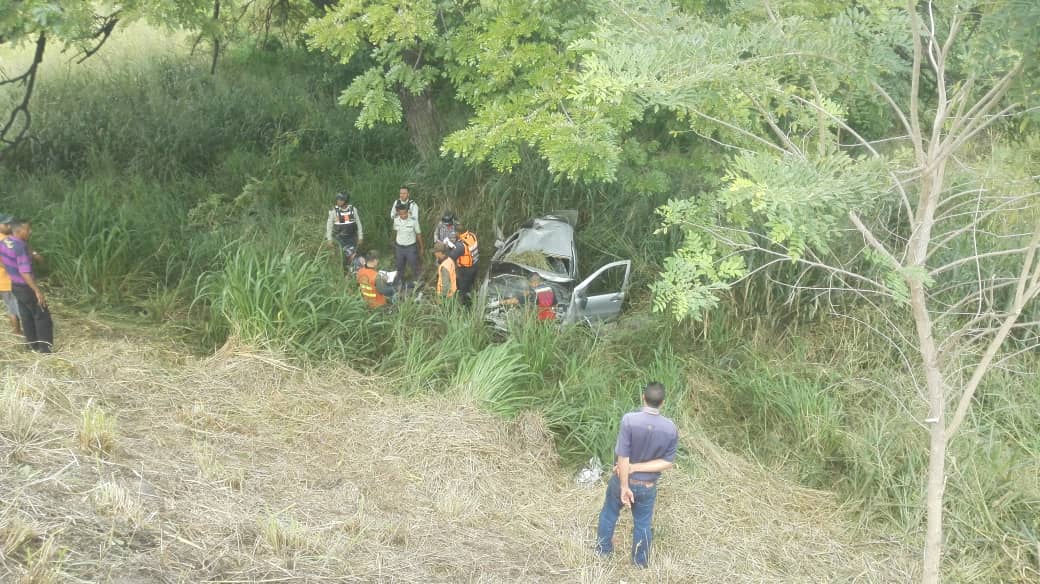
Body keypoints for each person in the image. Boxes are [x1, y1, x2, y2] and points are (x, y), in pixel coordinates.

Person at [595, 382, 679, 568]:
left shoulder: (629, 420)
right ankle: (639, 564)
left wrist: (625, 485)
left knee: (609, 514)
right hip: (647, 486)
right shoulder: (670, 428)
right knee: (642, 524)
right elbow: (667, 462)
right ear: (662, 402)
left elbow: (622, 457)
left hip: (622, 480)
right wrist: (636, 467)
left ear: (643, 397)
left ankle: (603, 553)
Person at [0, 219, 54, 353]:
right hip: (25, 286)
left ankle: (32, 345)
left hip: (14, 285)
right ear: (19, 231)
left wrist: (10, 269)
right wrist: (37, 290)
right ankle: (45, 349)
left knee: (26, 315)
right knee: (42, 315)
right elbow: (25, 272)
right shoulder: (20, 247)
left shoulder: (4, 242)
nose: (30, 231)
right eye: (28, 229)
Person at [325, 192, 364, 274]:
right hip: (339, 239)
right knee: (342, 259)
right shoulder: (334, 211)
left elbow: (359, 224)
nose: (338, 201)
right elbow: (329, 226)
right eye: (338, 199)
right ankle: (343, 275)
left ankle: (353, 274)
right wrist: (329, 239)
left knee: (353, 257)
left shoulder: (353, 210)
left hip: (352, 238)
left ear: (345, 201)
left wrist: (360, 237)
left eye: (340, 200)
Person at [392, 202, 423, 290]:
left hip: (410, 248)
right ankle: (399, 283)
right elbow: (395, 231)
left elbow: (418, 234)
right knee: (399, 266)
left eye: (405, 213)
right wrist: (393, 243)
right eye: (401, 214)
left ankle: (417, 282)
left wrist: (421, 248)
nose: (403, 215)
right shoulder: (396, 220)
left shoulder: (413, 221)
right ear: (398, 213)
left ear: (408, 212)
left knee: (414, 265)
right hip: (399, 248)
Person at [0, 215, 22, 336]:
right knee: (13, 306)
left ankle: (18, 330)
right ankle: (17, 331)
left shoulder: (8, 237)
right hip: (5, 281)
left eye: (10, 223)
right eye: (5, 224)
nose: (9, 226)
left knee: (15, 304)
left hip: (12, 279)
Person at [454, 222, 479, 306]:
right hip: (475, 265)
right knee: (470, 284)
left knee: (463, 288)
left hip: (466, 270)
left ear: (458, 233)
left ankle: (466, 306)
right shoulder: (472, 235)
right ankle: (471, 294)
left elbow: (452, 255)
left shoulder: (461, 244)